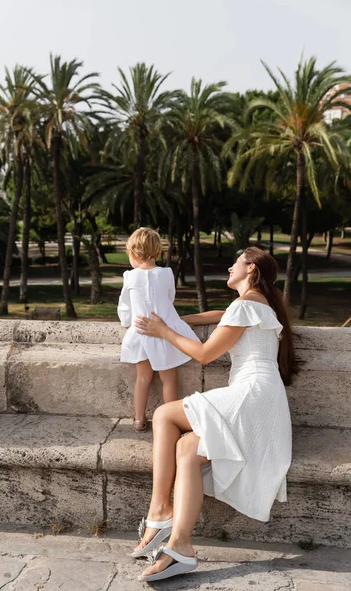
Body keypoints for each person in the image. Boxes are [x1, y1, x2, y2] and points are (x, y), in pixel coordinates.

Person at [132, 247, 297, 583]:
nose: (228, 266)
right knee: (187, 450)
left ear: (249, 268)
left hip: (251, 395)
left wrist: (165, 332)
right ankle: (181, 548)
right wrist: (180, 320)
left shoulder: (248, 304)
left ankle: (160, 510)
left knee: (164, 415)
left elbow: (206, 354)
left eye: (234, 263)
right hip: (262, 398)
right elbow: (222, 314)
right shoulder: (256, 303)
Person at [117, 227, 199, 432]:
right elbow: (169, 298)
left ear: (134, 254)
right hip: (163, 331)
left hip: (141, 332)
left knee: (143, 377)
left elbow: (124, 305)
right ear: (157, 252)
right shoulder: (167, 273)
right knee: (168, 378)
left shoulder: (129, 276)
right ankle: (172, 419)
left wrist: (126, 322)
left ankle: (138, 419)